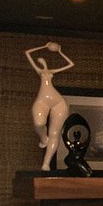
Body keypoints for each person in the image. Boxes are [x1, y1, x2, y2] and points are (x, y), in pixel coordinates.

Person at [26, 41, 75, 171]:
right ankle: (43, 139)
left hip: (58, 102)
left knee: (54, 133)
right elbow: (28, 53)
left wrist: (60, 52)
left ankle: (46, 164)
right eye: (40, 61)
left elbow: (70, 64)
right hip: (42, 100)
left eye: (42, 60)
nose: (41, 62)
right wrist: (44, 46)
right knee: (39, 123)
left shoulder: (51, 71)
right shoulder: (39, 70)